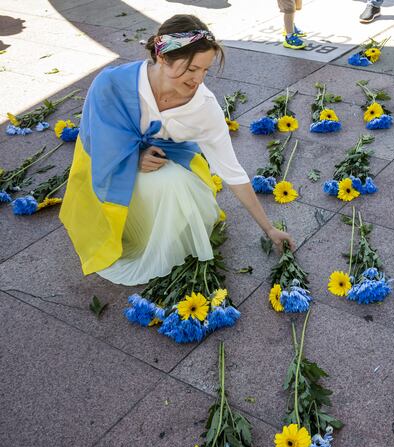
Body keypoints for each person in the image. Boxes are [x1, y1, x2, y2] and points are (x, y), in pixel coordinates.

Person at [60, 14, 295, 286]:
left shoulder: (204, 107)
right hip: (110, 168)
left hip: (169, 165)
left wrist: (268, 228)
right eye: (192, 69)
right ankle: (132, 230)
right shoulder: (113, 83)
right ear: (163, 57)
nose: (198, 79)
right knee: (162, 184)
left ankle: (164, 238)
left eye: (205, 71)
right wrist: (135, 155)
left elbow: (232, 171)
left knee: (172, 183)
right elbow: (95, 136)